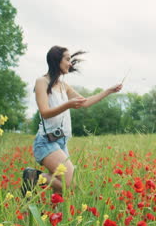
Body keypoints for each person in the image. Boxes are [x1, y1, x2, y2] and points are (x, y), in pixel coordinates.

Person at [21, 46, 122, 195]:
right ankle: (34, 176)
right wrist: (67, 104)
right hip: (46, 141)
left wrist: (109, 91)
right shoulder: (41, 82)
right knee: (70, 185)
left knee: (61, 191)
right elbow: (45, 112)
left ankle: (53, 216)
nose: (71, 64)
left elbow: (85, 102)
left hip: (61, 142)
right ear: (57, 60)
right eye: (67, 59)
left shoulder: (64, 86)